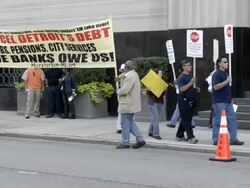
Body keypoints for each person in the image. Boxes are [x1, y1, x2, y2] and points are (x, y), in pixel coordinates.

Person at [211, 56, 244, 145]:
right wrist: (226, 81)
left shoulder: (225, 74)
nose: (227, 63)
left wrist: (231, 99)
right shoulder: (217, 74)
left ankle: (233, 139)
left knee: (232, 120)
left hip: (227, 101)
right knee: (218, 120)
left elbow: (226, 89)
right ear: (219, 63)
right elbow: (215, 87)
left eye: (227, 62)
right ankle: (216, 139)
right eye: (224, 62)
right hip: (219, 101)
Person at [116, 60, 146, 149]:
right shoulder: (134, 74)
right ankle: (140, 139)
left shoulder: (130, 77)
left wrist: (118, 91)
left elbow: (125, 90)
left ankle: (125, 142)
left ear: (126, 68)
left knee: (124, 123)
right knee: (130, 122)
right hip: (131, 102)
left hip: (127, 103)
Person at [176, 60, 198, 144]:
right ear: (183, 67)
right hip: (184, 100)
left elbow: (190, 87)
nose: (190, 67)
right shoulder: (181, 77)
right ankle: (191, 137)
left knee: (186, 118)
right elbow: (181, 89)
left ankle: (179, 135)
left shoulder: (190, 76)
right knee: (187, 119)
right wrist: (191, 83)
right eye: (188, 65)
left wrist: (195, 88)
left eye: (190, 65)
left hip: (191, 100)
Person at [147, 69, 165, 140]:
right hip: (152, 102)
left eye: (161, 73)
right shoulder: (151, 82)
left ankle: (150, 131)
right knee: (156, 118)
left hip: (159, 102)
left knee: (154, 117)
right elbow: (148, 93)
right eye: (159, 73)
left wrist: (164, 90)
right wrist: (149, 89)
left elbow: (162, 94)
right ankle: (156, 134)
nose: (161, 75)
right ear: (156, 74)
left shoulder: (162, 82)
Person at [115, 63, 126, 134]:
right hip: (122, 96)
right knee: (121, 112)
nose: (123, 71)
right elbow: (116, 79)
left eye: (124, 70)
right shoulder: (121, 76)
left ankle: (128, 127)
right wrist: (119, 78)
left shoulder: (130, 76)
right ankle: (119, 127)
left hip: (128, 96)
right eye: (122, 70)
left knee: (129, 113)